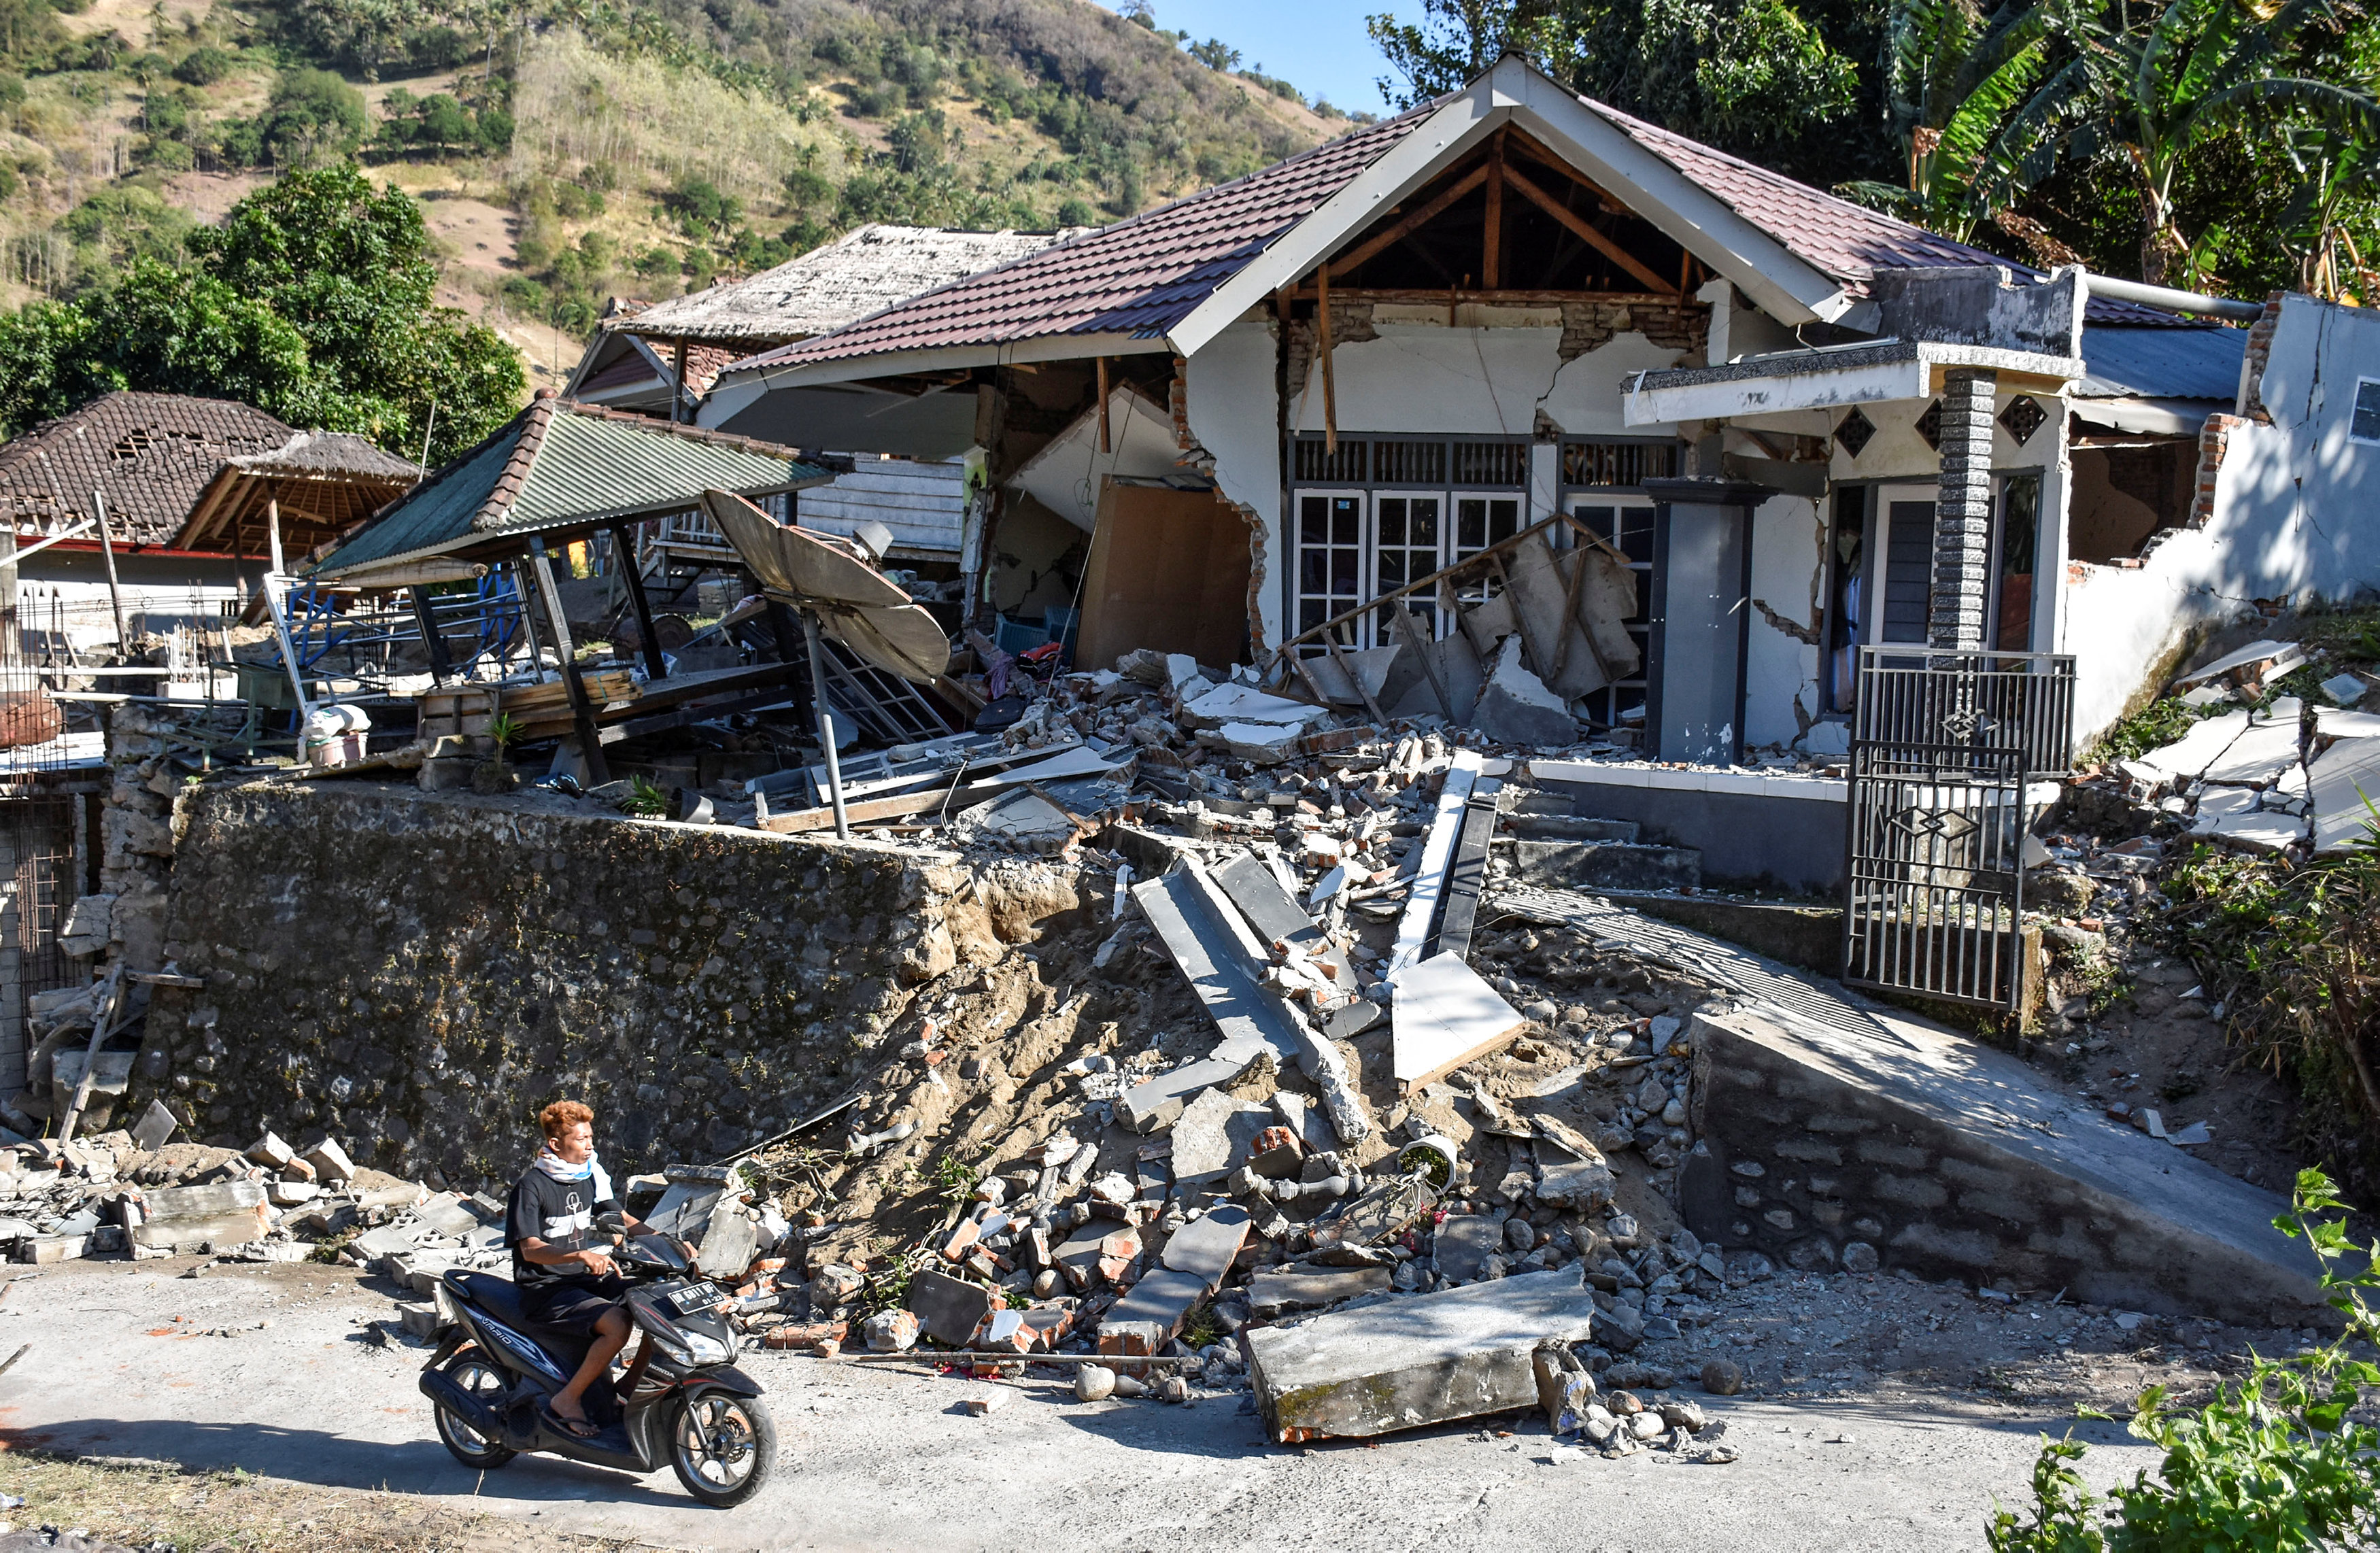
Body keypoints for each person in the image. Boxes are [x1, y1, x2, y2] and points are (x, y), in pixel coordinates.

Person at [507, 1099, 653, 1438]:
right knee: (617, 1324)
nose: (590, 1147)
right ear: (557, 1144)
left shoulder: (586, 1178)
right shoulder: (531, 1187)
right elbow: (530, 1250)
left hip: (582, 1280)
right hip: (546, 1290)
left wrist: (668, 1241)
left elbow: (620, 1218)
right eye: (581, 1140)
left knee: (654, 1304)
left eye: (591, 1138)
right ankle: (567, 1399)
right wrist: (579, 1256)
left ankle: (628, 1388)